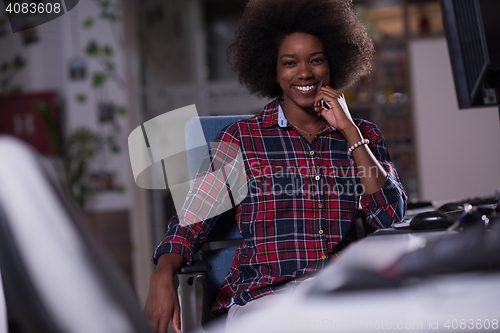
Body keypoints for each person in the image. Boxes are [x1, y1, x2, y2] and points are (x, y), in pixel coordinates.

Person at [144, 0, 407, 332]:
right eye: (290, 62)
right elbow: (192, 220)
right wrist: (163, 271)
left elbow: (389, 215)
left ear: (332, 65)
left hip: (338, 294)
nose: (305, 72)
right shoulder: (241, 140)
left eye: (316, 60)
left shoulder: (362, 135)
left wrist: (350, 131)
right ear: (274, 70)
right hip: (265, 301)